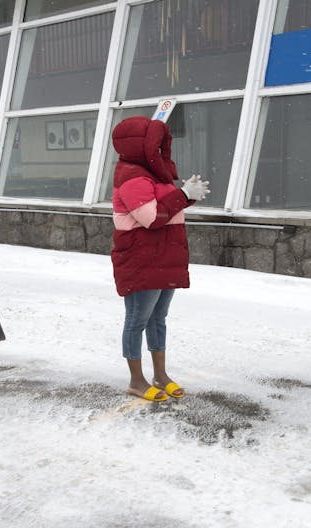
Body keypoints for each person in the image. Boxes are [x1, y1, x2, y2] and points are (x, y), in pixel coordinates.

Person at [110, 116, 210, 402]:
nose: (161, 150)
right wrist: (181, 195)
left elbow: (167, 208)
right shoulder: (131, 177)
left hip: (163, 257)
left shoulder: (154, 174)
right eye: (156, 145)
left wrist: (187, 196)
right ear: (141, 146)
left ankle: (160, 375)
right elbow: (152, 218)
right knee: (137, 320)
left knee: (158, 319)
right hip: (142, 258)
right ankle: (136, 380)